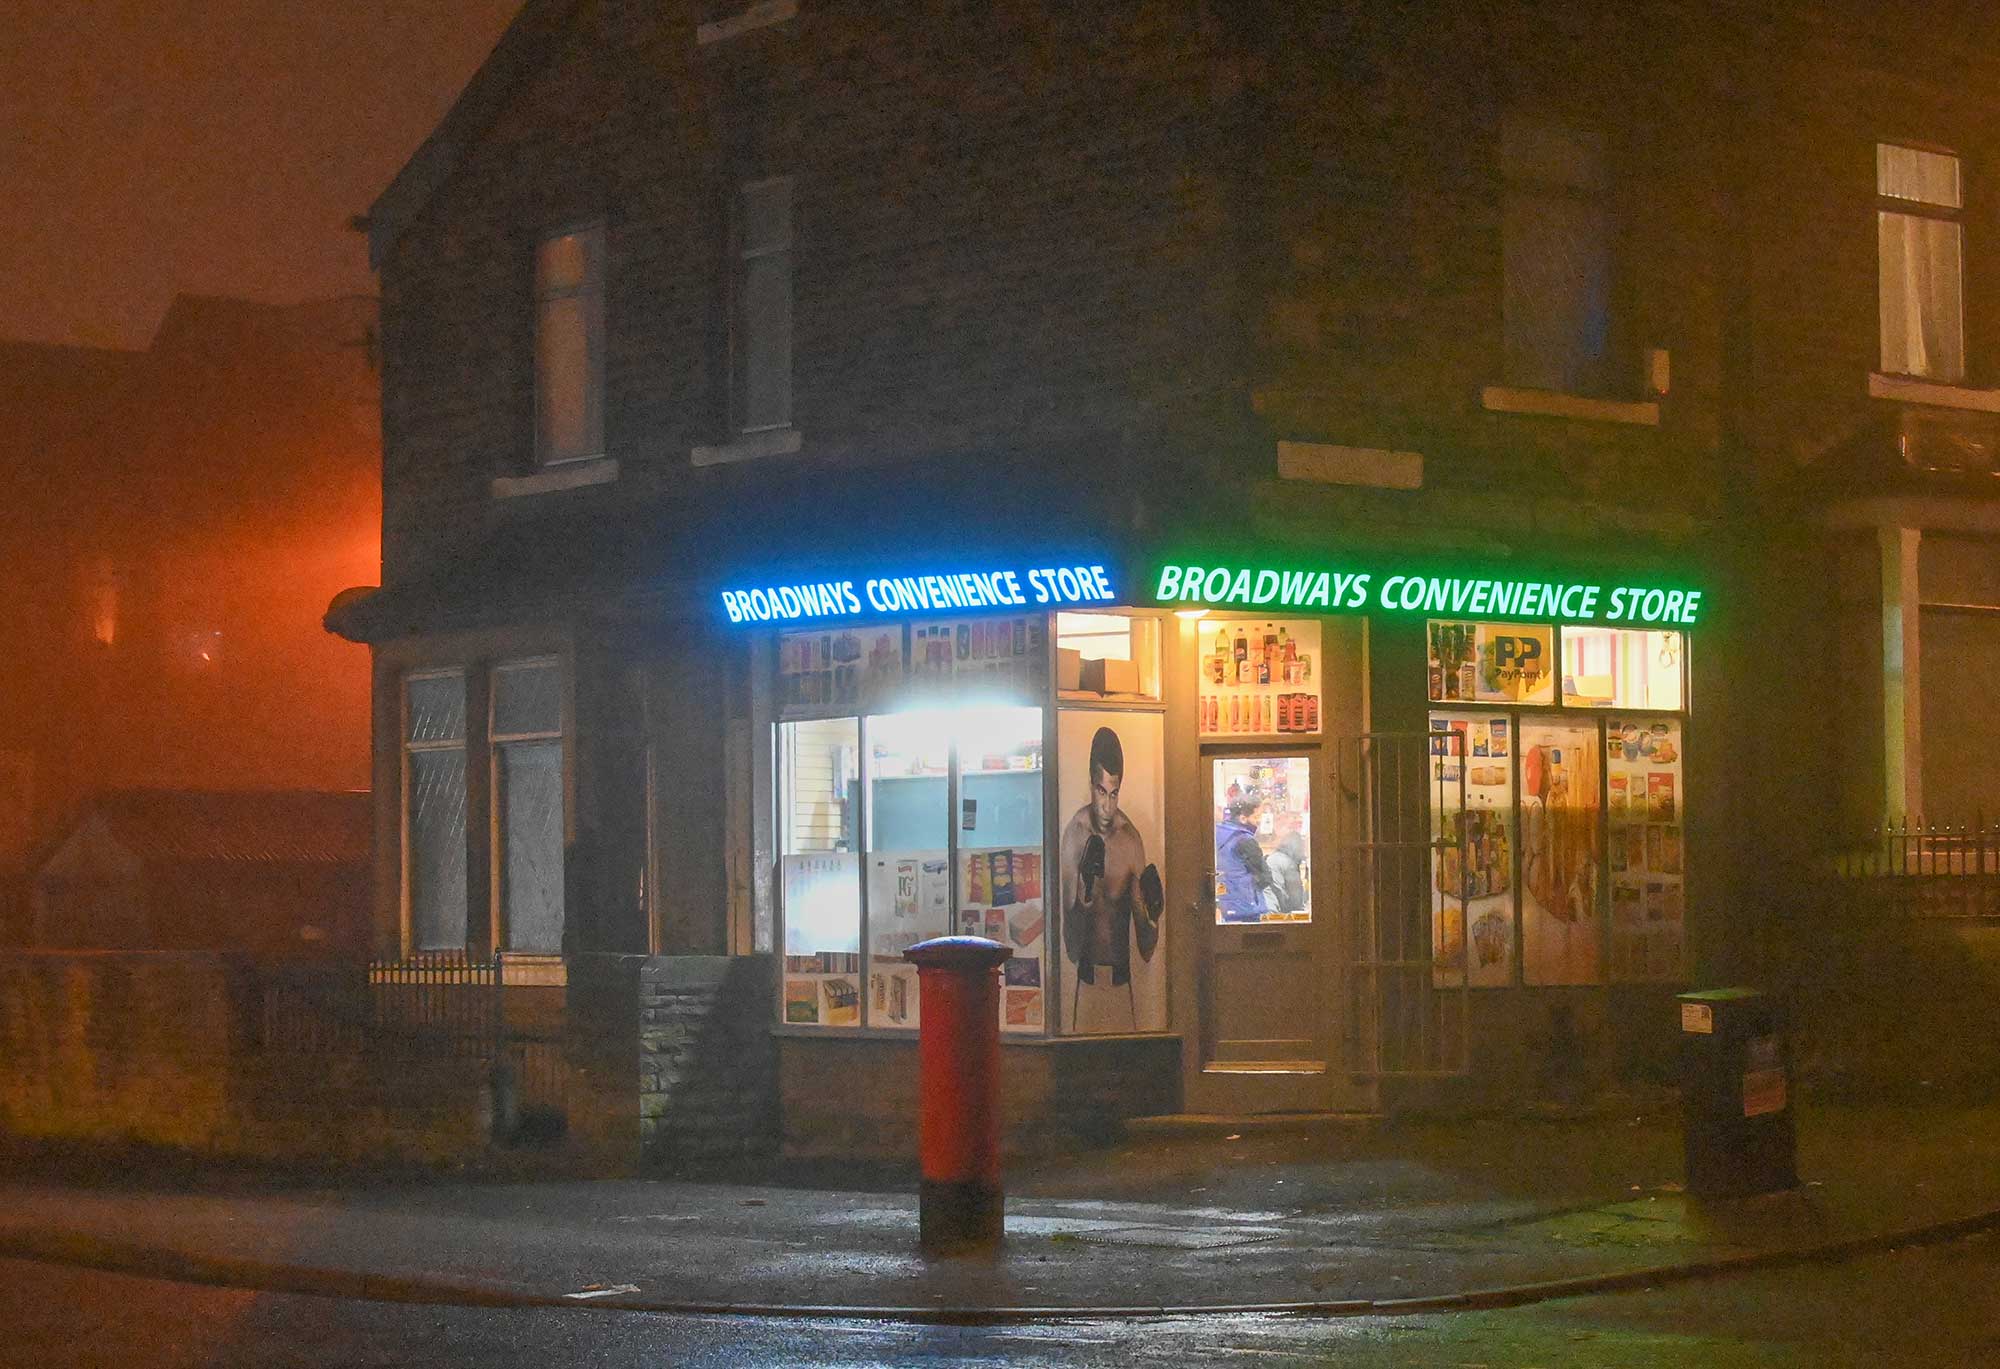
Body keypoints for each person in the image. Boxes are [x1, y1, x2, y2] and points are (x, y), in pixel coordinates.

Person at [1060, 727, 1163, 1001]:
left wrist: (1153, 917)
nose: (1107, 806)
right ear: (1091, 782)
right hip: (1083, 982)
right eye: (1101, 791)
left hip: (1123, 982)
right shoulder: (1074, 833)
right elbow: (1070, 945)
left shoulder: (1130, 840)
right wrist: (1085, 890)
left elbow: (1147, 949)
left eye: (1114, 794)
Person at [1214, 791, 1279, 923]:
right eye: (1256, 817)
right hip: (1246, 907)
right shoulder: (1245, 840)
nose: (1259, 822)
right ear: (1243, 818)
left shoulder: (1217, 833)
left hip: (1223, 906)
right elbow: (1265, 876)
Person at [1264, 830, 1308, 915]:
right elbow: (1295, 895)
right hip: (1277, 909)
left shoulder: (1272, 858)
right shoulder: (1288, 863)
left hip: (1268, 907)